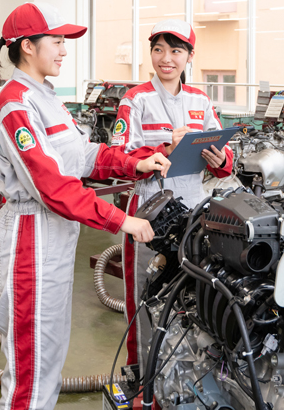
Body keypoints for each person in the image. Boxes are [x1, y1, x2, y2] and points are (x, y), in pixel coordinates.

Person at [0, 2, 171, 410]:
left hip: (54, 236)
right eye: (57, 41)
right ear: (27, 46)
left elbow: (82, 156)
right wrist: (122, 219)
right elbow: (50, 185)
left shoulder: (46, 97)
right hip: (31, 238)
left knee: (48, 357)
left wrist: (134, 161)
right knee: (31, 369)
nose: (64, 50)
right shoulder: (16, 104)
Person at [111, 19, 233, 371]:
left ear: (189, 56)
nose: (166, 58)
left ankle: (188, 376)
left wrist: (221, 158)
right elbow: (117, 159)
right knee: (146, 297)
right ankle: (144, 376)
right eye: (158, 50)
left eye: (176, 51)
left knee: (196, 296)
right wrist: (164, 149)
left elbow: (223, 158)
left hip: (196, 209)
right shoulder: (135, 100)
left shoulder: (200, 99)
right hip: (150, 209)